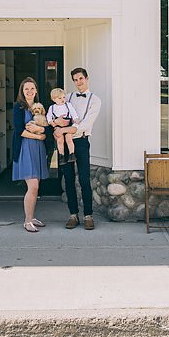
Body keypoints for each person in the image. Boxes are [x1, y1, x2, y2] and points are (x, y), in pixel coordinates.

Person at [62, 67, 102, 230]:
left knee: (84, 179)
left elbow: (87, 123)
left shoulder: (95, 100)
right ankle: (73, 215)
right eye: (75, 80)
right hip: (65, 142)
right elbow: (62, 115)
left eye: (81, 79)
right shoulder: (68, 97)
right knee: (69, 179)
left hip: (82, 141)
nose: (78, 82)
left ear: (86, 79)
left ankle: (88, 215)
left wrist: (67, 129)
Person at [11, 77, 49, 233]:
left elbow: (48, 129)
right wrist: (39, 136)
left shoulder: (39, 107)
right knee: (32, 186)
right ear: (22, 91)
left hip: (38, 150)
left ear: (36, 90)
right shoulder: (18, 107)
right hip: (25, 149)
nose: (29, 91)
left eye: (32, 88)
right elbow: (20, 130)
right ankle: (27, 221)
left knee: (36, 186)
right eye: (26, 89)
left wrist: (42, 132)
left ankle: (32, 217)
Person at [47, 87, 80, 165]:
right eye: (60, 98)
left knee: (69, 138)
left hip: (68, 125)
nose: (63, 99)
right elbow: (48, 116)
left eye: (64, 97)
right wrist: (51, 122)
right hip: (58, 126)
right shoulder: (52, 108)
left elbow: (73, 112)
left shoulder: (68, 105)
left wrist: (75, 118)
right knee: (60, 140)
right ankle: (61, 155)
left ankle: (72, 154)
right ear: (54, 99)